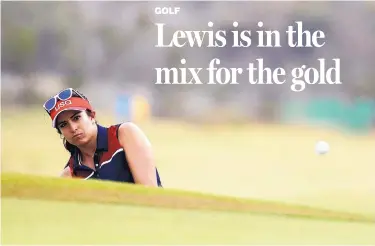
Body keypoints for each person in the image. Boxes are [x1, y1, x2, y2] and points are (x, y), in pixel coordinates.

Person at [43, 88, 162, 187]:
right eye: (63, 125)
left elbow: (149, 193)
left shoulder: (125, 134)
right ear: (61, 132)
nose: (73, 128)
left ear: (91, 116)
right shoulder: (69, 175)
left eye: (76, 118)